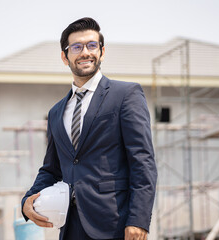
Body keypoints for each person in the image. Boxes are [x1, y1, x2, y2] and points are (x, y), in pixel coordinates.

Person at [22, 17, 157, 240]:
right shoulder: (56, 112)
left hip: (115, 224)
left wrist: (138, 219)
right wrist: (27, 200)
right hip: (70, 226)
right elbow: (51, 169)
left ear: (102, 52)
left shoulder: (126, 95)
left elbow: (143, 161)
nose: (85, 52)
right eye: (77, 47)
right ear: (65, 57)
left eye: (92, 45)